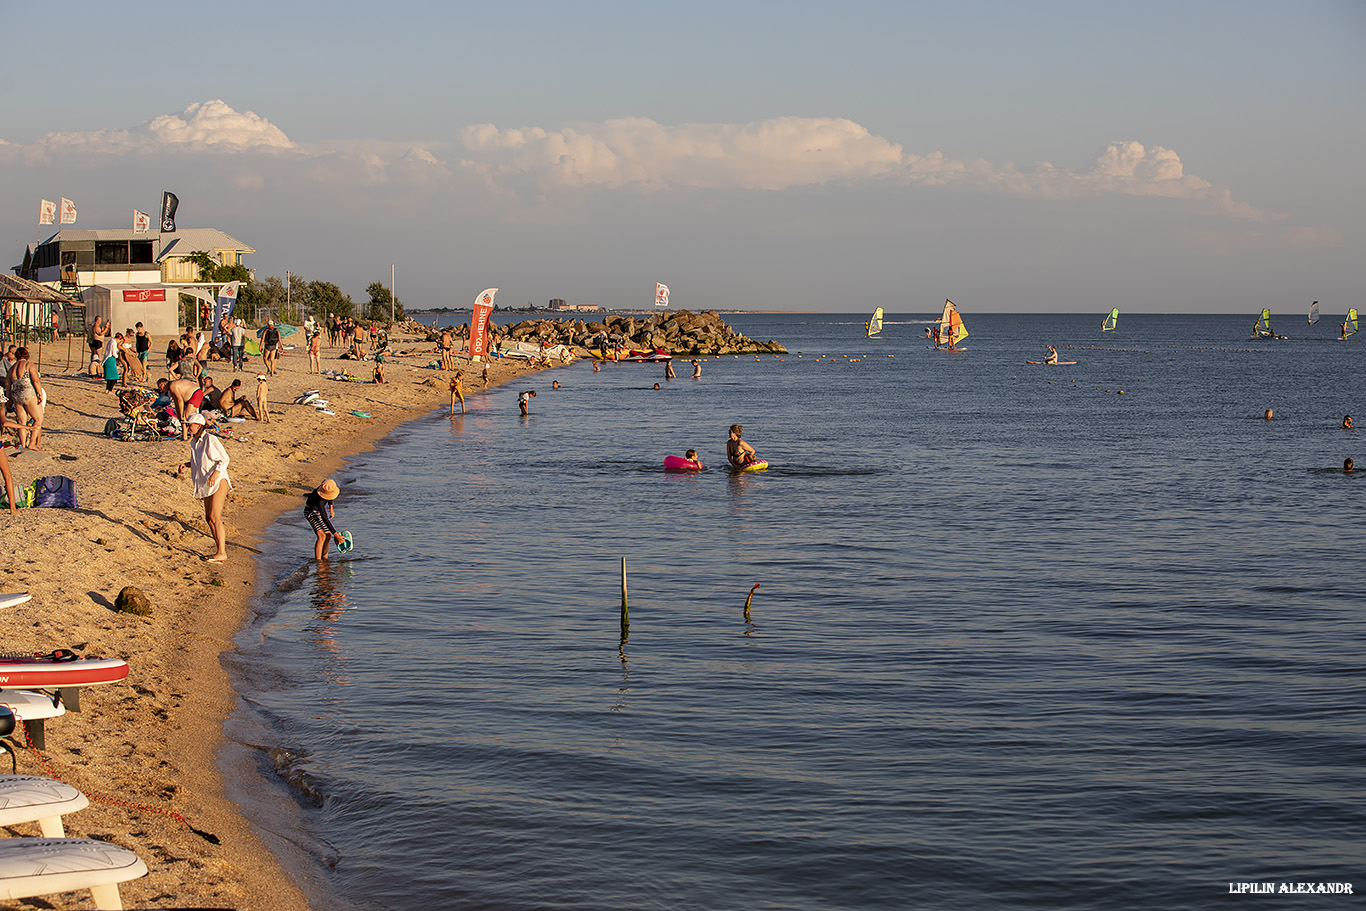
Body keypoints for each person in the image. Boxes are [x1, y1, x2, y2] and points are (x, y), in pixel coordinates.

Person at [182, 413, 231, 562]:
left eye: (190, 424)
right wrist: (186, 464)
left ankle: (222, 552)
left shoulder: (210, 439)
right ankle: (219, 550)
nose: (188, 427)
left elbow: (224, 459)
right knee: (208, 518)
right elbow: (199, 462)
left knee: (215, 517)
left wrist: (215, 474)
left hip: (219, 481)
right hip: (205, 483)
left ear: (198, 425)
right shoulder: (194, 442)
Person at [8, 347, 44, 450]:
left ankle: (23, 445)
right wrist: (40, 394)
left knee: (21, 422)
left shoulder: (11, 368)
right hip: (28, 393)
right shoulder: (29, 365)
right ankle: (32, 443)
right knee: (38, 419)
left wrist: (10, 399)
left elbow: (7, 385)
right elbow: (36, 380)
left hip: (16, 395)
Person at [304, 478, 345, 561]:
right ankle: (318, 561)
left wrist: (331, 508)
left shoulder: (324, 487)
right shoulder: (320, 501)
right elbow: (324, 518)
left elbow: (330, 496)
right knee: (321, 536)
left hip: (317, 512)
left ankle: (325, 558)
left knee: (328, 535)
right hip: (310, 512)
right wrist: (336, 534)